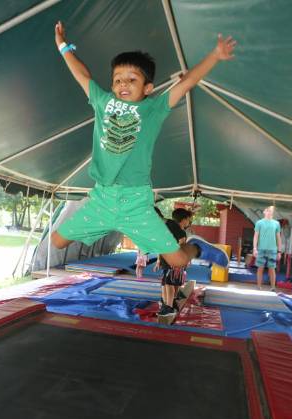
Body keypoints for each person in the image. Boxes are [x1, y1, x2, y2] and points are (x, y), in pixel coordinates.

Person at [50, 21, 235, 272]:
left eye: (131, 80)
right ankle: (189, 247)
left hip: (134, 201)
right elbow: (82, 74)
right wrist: (62, 45)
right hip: (102, 198)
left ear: (148, 88)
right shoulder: (103, 101)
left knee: (178, 261)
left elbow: (186, 82)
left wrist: (214, 55)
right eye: (117, 80)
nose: (122, 84)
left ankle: (197, 246)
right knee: (58, 241)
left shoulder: (153, 110)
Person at [156, 208, 194, 322]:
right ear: (184, 219)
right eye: (188, 219)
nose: (189, 222)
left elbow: (181, 241)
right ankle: (167, 303)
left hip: (171, 258)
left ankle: (169, 306)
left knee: (169, 281)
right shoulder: (166, 225)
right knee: (167, 281)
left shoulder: (170, 224)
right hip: (167, 257)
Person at [253, 206, 282, 291]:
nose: (269, 212)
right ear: (264, 212)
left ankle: (273, 287)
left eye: (271, 211)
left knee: (272, 269)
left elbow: (278, 238)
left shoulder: (276, 223)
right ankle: (258, 287)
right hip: (261, 249)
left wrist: (279, 251)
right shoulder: (259, 223)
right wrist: (255, 248)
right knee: (260, 268)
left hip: (272, 250)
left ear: (273, 213)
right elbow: (256, 236)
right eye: (267, 210)